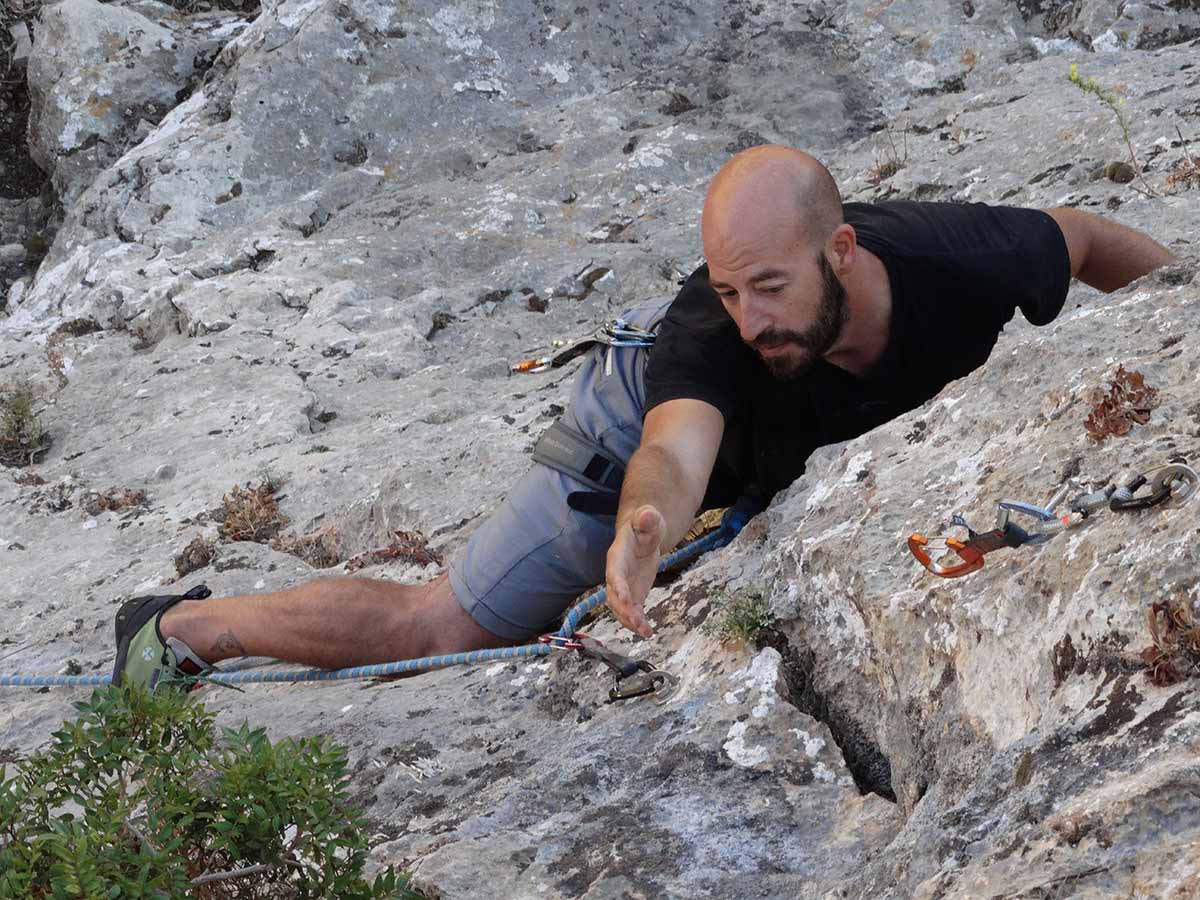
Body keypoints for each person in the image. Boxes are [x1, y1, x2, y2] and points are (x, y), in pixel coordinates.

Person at [112, 145, 1175, 691]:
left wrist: (1180, 325)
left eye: (769, 285)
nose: (752, 316)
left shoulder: (965, 259)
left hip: (791, 439)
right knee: (442, 626)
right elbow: (673, 446)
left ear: (843, 249)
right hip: (638, 420)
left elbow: (1079, 237)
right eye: (729, 289)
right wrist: (644, 528)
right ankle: (182, 629)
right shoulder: (711, 338)